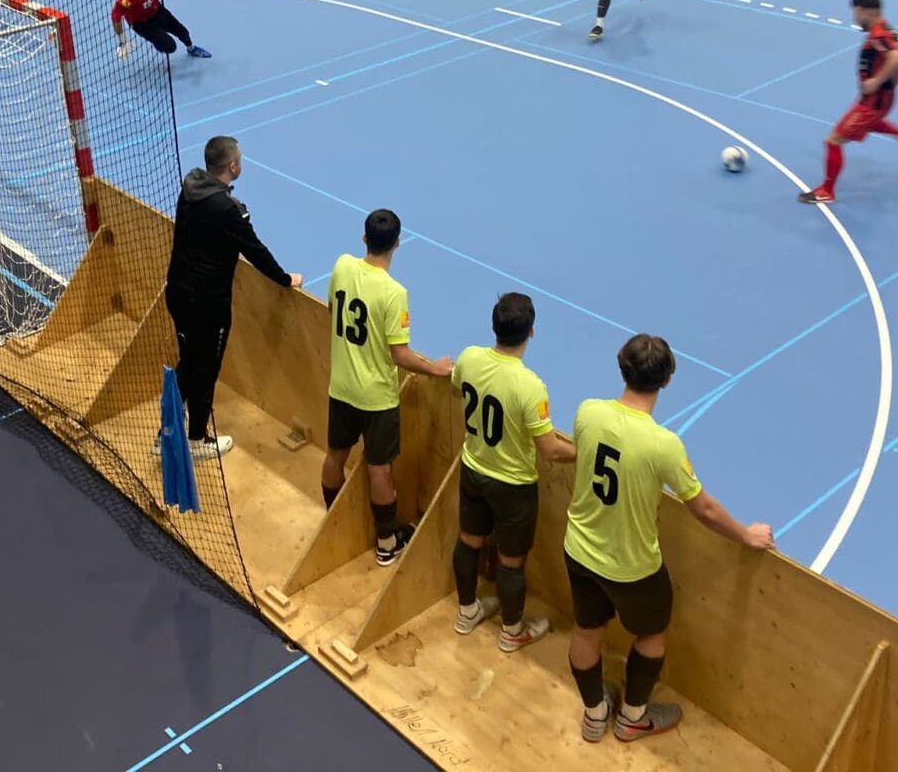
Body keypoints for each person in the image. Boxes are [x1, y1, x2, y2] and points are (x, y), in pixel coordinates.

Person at [564, 334, 774, 743]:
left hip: (579, 550)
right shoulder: (664, 446)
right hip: (632, 567)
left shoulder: (587, 412)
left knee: (587, 630)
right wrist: (745, 535)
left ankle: (594, 716)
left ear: (622, 368)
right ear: (667, 380)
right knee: (651, 634)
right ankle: (632, 718)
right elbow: (704, 508)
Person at [321, 209, 454, 567]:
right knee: (379, 469)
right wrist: (435, 369)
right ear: (397, 242)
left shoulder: (342, 266)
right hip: (377, 398)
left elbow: (333, 309)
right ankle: (386, 543)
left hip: (341, 387)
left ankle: (333, 523)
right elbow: (400, 354)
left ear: (364, 238)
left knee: (335, 455)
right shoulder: (394, 293)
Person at [451, 293, 575, 650]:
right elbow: (550, 449)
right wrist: (585, 452)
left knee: (469, 542)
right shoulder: (529, 385)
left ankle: (467, 611)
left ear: (494, 325)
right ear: (531, 332)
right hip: (513, 486)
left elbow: (457, 388)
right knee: (511, 561)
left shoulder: (469, 358)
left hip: (473, 469)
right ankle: (511, 631)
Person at [165, 135, 302, 457]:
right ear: (232, 166)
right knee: (206, 370)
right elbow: (255, 250)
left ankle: (166, 431)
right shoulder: (227, 209)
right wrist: (285, 279)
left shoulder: (190, 188)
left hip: (178, 293)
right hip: (207, 305)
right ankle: (197, 440)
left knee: (189, 363)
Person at [798, 0, 898, 205]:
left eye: (856, 13)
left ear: (865, 11)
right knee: (869, 122)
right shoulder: (886, 29)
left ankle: (827, 191)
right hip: (878, 100)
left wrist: (877, 81)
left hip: (873, 101)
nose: (854, 18)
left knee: (833, 141)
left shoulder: (879, 35)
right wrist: (890, 84)